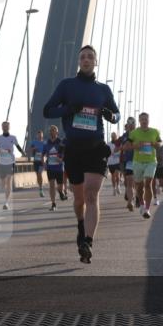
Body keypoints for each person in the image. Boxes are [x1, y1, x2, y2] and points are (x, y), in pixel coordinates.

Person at [42, 45, 120, 264]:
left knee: (91, 194)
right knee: (78, 200)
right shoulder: (66, 86)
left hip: (96, 147)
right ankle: (80, 224)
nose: (86, 60)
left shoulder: (103, 90)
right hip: (74, 148)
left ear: (96, 62)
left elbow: (117, 114)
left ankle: (88, 241)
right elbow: (47, 110)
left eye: (90, 57)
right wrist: (68, 109)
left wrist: (110, 116)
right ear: (79, 62)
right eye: (83, 57)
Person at [125, 112, 162, 219]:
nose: (144, 121)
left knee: (148, 184)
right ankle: (141, 203)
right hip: (137, 162)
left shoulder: (154, 131)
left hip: (151, 161)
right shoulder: (134, 133)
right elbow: (127, 146)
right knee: (139, 187)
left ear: (148, 120)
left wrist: (156, 144)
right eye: (142, 119)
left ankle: (147, 209)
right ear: (139, 121)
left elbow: (160, 143)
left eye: (146, 119)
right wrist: (136, 146)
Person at [0, 121, 25, 211]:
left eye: (7, 126)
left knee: (9, 180)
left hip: (10, 161)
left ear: (9, 127)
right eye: (4, 126)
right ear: (1, 127)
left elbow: (18, 146)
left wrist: (23, 153)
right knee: (3, 183)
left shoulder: (13, 137)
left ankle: (6, 202)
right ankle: (5, 196)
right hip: (1, 162)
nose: (5, 128)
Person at [42, 125, 66, 210]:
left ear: (57, 132)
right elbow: (43, 154)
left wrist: (61, 159)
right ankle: (53, 203)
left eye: (54, 130)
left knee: (60, 186)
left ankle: (60, 191)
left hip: (59, 167)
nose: (52, 132)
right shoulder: (46, 143)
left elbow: (64, 153)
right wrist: (44, 163)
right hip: (50, 167)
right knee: (51, 185)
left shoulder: (61, 142)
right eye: (51, 130)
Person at [118, 117, 137, 210]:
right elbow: (119, 146)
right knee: (129, 182)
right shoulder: (124, 136)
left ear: (135, 124)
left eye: (132, 123)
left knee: (138, 183)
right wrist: (122, 147)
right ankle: (130, 202)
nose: (131, 124)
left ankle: (137, 197)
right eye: (129, 123)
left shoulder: (139, 134)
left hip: (139, 161)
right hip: (129, 161)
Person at [28, 130, 47, 197]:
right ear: (37, 135)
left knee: (39, 173)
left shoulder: (45, 143)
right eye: (38, 135)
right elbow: (30, 149)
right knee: (37, 175)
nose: (39, 136)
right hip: (36, 160)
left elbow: (47, 151)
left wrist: (46, 159)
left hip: (42, 160)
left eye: (41, 135)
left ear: (42, 135)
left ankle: (41, 190)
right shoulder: (34, 142)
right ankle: (40, 187)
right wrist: (31, 154)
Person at [107, 132, 122, 196]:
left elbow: (122, 150)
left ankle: (118, 186)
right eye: (112, 136)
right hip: (111, 162)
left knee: (117, 174)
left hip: (117, 161)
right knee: (113, 176)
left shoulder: (119, 144)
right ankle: (114, 188)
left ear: (116, 136)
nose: (113, 137)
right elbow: (106, 152)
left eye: (114, 136)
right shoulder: (108, 144)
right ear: (111, 137)